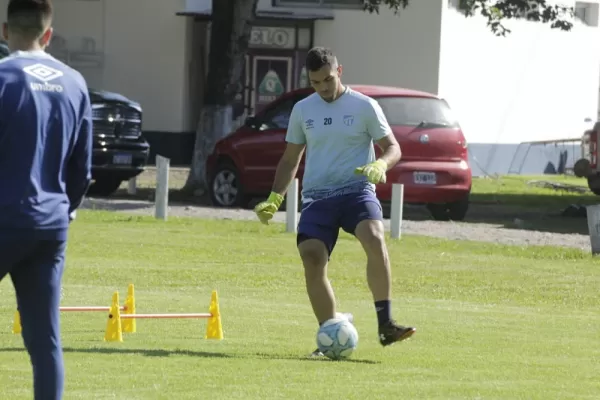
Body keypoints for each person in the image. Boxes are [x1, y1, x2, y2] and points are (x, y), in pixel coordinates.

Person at [254, 47, 416, 356]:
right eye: (316, 82)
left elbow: (392, 146)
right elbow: (290, 160)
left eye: (328, 80)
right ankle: (331, 330)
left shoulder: (365, 106)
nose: (323, 88)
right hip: (317, 198)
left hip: (357, 191)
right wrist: (275, 198)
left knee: (374, 236)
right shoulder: (303, 110)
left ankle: (386, 325)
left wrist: (381, 164)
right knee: (312, 258)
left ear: (339, 72)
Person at [0, 0, 92, 398]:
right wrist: (65, 209)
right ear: (48, 33)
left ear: (5, 31)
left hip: (3, 215)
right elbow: (82, 169)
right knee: (44, 340)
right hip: (50, 223)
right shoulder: (74, 82)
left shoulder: (3, 77)